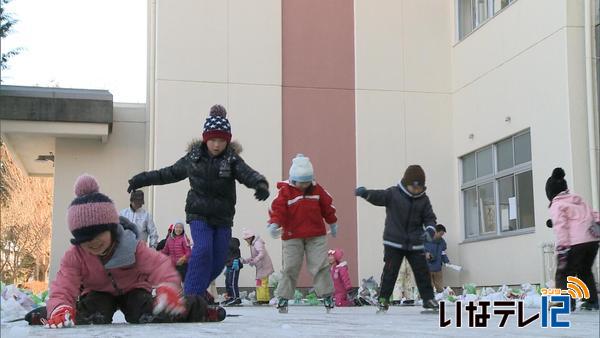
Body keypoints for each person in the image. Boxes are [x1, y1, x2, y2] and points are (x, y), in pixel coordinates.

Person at [41, 174, 225, 329]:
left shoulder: (131, 246)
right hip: (97, 291)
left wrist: (167, 287)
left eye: (98, 235)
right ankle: (57, 312)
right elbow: (64, 284)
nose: (93, 243)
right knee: (94, 312)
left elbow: (158, 265)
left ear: (111, 229)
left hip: (134, 289)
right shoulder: (75, 255)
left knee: (148, 311)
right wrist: (60, 305)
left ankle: (197, 310)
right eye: (85, 239)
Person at [126, 104, 270, 302]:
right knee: (202, 249)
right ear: (205, 138)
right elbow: (168, 173)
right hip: (198, 214)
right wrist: (141, 180)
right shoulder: (193, 158)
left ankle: (195, 289)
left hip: (222, 217)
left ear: (227, 141)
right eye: (212, 140)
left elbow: (247, 173)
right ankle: (191, 297)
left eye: (221, 140)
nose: (217, 145)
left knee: (219, 259)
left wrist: (259, 184)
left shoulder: (231, 159)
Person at [355, 164, 439, 313]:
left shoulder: (424, 201)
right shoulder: (393, 194)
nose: (416, 190)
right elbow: (378, 196)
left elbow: (430, 219)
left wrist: (430, 231)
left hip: (415, 243)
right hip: (393, 241)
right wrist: (365, 193)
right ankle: (383, 299)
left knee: (422, 272)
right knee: (390, 271)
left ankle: (428, 299)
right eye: (413, 187)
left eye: (419, 188)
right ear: (406, 184)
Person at [268, 154, 338, 313]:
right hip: (292, 236)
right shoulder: (285, 192)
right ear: (293, 179)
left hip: (316, 235)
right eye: (301, 182)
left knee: (320, 265)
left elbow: (328, 207)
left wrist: (333, 223)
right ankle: (283, 297)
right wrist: (274, 223)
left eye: (307, 182)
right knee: (290, 267)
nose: (304, 186)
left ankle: (327, 295)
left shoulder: (317, 189)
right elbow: (278, 210)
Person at [546, 167, 599, 311]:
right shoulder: (577, 199)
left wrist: (562, 247)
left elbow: (561, 226)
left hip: (575, 243)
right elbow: (593, 215)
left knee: (563, 273)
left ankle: (565, 303)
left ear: (550, 193)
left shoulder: (556, 204)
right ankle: (592, 301)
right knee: (584, 270)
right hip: (592, 241)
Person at [241, 229, 274, 305]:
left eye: (246, 239)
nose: (246, 241)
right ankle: (263, 299)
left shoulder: (257, 243)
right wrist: (246, 261)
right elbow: (254, 256)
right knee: (260, 282)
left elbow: (261, 253)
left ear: (250, 238)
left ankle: (262, 300)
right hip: (261, 267)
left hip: (264, 267)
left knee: (262, 283)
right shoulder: (254, 243)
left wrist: (254, 260)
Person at [424, 224, 450, 293]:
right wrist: (425, 254)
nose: (441, 236)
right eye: (441, 234)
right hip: (427, 268)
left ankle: (439, 301)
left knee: (440, 288)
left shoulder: (442, 242)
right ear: (435, 232)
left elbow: (443, 252)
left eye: (442, 234)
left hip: (438, 268)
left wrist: (447, 261)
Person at [223, 237, 243, 306]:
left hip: (234, 266)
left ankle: (236, 298)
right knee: (228, 282)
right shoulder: (227, 247)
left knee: (232, 282)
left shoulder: (234, 248)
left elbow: (235, 255)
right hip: (229, 265)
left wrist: (235, 261)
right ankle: (231, 297)